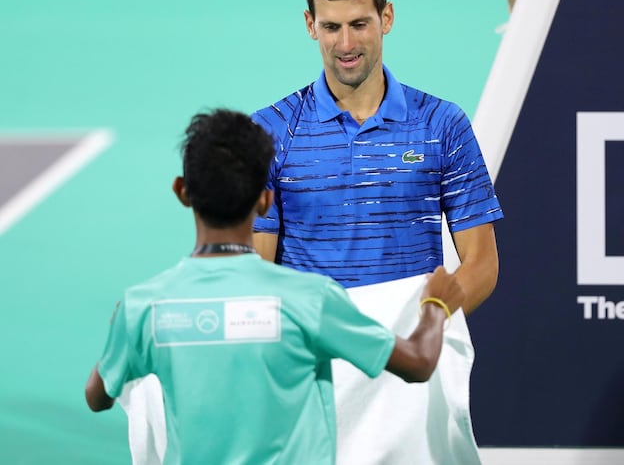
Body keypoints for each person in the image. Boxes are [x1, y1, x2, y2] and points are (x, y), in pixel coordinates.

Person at [84, 108, 465, 464]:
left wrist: (123, 329)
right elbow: (417, 364)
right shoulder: (308, 299)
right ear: (265, 201)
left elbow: (97, 398)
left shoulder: (143, 308)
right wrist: (436, 306)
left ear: (182, 191)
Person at [250, 0, 504, 464]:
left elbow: (482, 263)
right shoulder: (271, 132)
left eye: (360, 24)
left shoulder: (442, 125)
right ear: (309, 24)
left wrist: (426, 326)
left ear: (387, 17)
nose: (346, 44)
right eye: (331, 27)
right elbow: (257, 269)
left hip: (411, 374)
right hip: (314, 372)